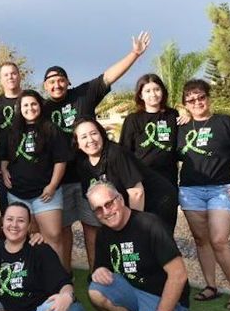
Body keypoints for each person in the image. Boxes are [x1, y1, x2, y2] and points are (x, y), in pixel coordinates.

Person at [42, 32, 151, 272]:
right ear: (45, 86)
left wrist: (134, 54)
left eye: (60, 79)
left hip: (88, 176)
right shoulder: (42, 109)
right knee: (62, 231)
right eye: (51, 81)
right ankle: (65, 276)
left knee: (92, 230)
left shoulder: (82, 94)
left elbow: (109, 76)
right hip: (59, 180)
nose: (56, 84)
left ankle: (96, 273)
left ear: (68, 82)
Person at [87, 181, 191, 311]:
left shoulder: (150, 224)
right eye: (98, 209)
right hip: (134, 290)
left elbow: (178, 275)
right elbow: (101, 266)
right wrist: (99, 270)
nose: (106, 212)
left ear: (120, 199)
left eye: (109, 203)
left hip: (162, 296)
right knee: (95, 291)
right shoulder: (104, 234)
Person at [177, 79, 230, 311]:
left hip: (221, 189)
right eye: (191, 99)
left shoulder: (224, 122)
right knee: (201, 240)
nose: (197, 102)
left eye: (201, 97)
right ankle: (211, 286)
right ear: (185, 104)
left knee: (219, 239)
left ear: (208, 98)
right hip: (190, 191)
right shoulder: (180, 127)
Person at [0, 90, 70, 269]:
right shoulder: (11, 131)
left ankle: (60, 283)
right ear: (19, 109)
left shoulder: (51, 129)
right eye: (25, 105)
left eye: (33, 104)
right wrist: (4, 168)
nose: (30, 108)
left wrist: (52, 186)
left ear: (40, 105)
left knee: (52, 236)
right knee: (29, 239)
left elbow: (60, 160)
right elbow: (4, 156)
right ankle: (36, 280)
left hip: (46, 194)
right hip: (17, 195)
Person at [73, 118, 179, 238]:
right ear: (77, 144)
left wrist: (133, 227)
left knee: (151, 243)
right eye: (84, 137)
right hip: (132, 203)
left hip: (158, 199)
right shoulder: (83, 164)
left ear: (102, 134)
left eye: (94, 133)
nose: (90, 140)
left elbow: (136, 193)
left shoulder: (116, 153)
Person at [120, 74, 184, 188]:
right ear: (140, 95)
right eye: (148, 91)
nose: (153, 94)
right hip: (142, 179)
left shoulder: (172, 114)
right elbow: (124, 151)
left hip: (168, 178)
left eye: (157, 89)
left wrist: (189, 117)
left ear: (162, 91)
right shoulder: (133, 119)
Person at [0, 62, 24, 213]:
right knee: (9, 212)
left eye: (13, 73)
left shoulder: (30, 100)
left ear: (19, 76)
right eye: (6, 75)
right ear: (1, 80)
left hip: (31, 163)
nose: (10, 77)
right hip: (3, 166)